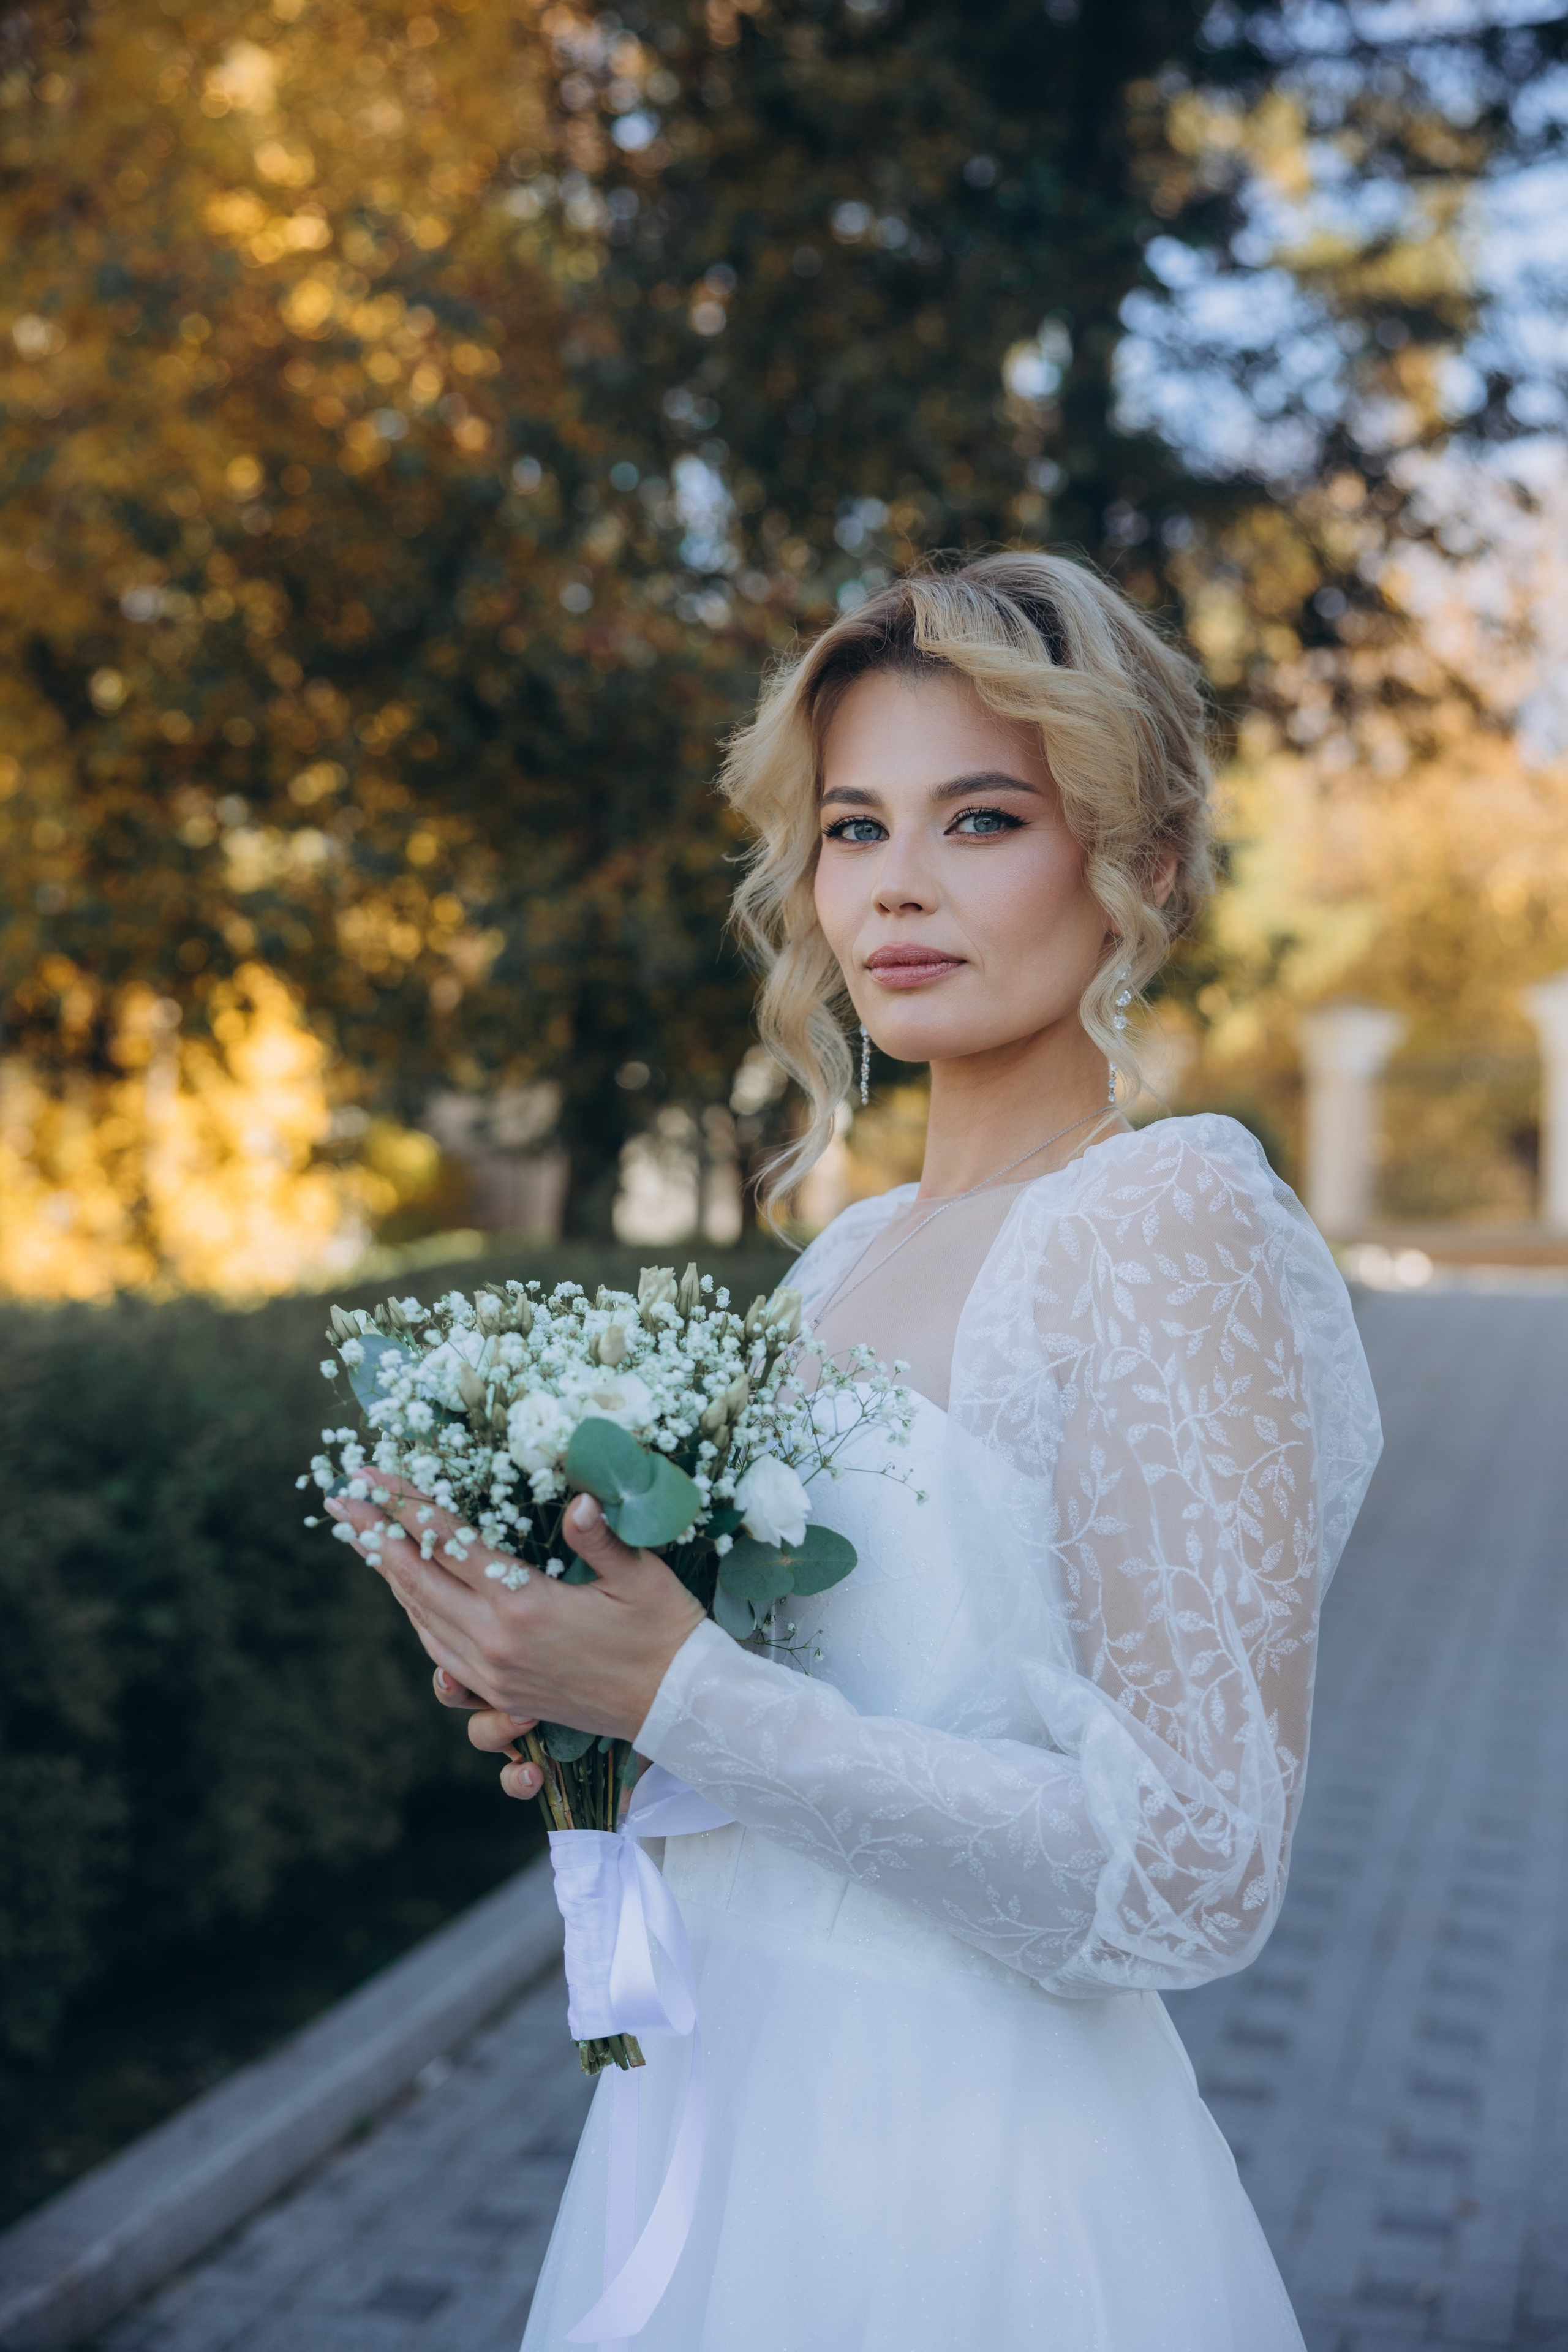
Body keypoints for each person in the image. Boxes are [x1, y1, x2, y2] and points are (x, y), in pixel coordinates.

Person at [328, 552, 1382, 2351]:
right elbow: (837, 1728)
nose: (898, 884)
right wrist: (591, 1713)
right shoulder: (842, 1262)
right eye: (853, 828)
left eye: (980, 820)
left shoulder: (1158, 1225)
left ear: (1138, 861)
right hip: (726, 2117)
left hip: (971, 2181)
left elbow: (1198, 1872)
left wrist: (696, 1707)